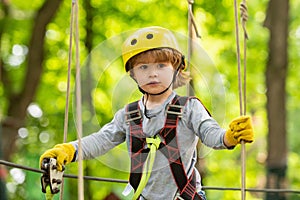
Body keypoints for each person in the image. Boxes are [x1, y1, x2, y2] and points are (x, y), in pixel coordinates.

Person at [40, 26, 254, 200]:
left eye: (161, 65)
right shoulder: (129, 115)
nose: (152, 73)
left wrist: (229, 136)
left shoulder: (189, 108)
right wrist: (69, 150)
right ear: (133, 74)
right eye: (143, 67)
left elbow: (210, 134)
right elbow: (101, 140)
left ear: (176, 69)